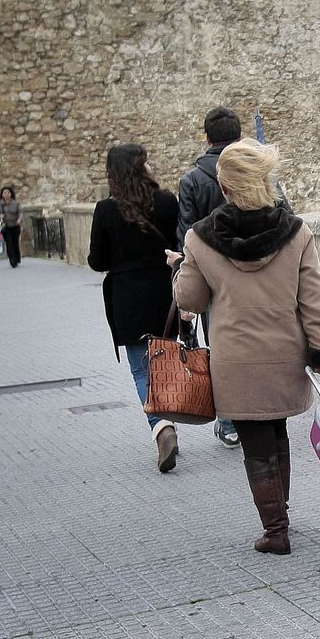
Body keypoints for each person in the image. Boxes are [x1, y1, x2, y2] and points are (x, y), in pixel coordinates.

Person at [173, 139, 320, 556]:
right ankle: (281, 514)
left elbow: (189, 301)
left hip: (236, 360)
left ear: (224, 188)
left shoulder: (200, 239)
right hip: (285, 353)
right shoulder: (296, 232)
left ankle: (275, 529)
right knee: (277, 431)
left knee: (256, 444)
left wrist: (180, 269)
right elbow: (312, 300)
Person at [177, 106, 289, 449]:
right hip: (265, 273)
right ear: (238, 135)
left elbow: (185, 233)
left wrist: (185, 268)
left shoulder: (192, 181)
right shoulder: (258, 175)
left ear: (207, 137)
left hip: (215, 281)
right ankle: (269, 408)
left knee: (223, 346)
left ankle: (229, 421)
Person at [88, 144, 182, 473]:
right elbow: (180, 243)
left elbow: (97, 261)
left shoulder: (105, 210)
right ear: (142, 167)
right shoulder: (167, 202)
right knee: (167, 361)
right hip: (163, 292)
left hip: (126, 296)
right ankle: (168, 418)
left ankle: (161, 427)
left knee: (141, 368)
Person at [0, 186, 23, 267]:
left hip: (15, 225)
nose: (6, 194)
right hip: (5, 226)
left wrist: (19, 219)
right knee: (9, 242)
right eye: (4, 192)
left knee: (15, 242)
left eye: (8, 192)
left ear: (11, 194)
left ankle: (17, 257)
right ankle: (12, 259)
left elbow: (20, 212)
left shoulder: (16, 203)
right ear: (2, 194)